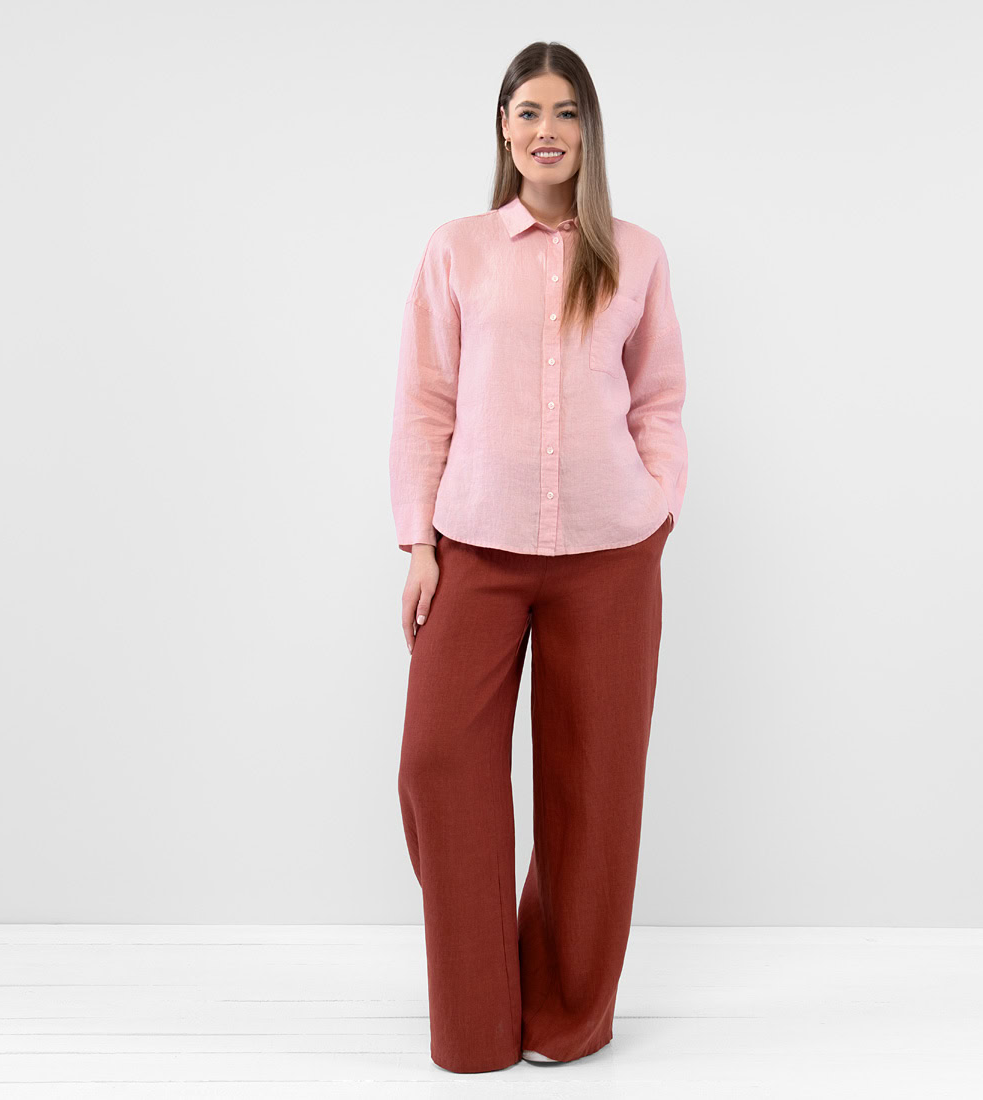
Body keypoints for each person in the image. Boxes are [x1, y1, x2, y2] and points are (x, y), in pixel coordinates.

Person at [389, 40, 688, 1074]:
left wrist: (658, 504)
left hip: (611, 554)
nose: (545, 130)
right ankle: (478, 1011)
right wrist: (418, 540)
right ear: (503, 128)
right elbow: (425, 401)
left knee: (592, 788)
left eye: (564, 112)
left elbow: (659, 399)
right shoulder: (457, 249)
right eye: (527, 111)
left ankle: (565, 1016)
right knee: (435, 762)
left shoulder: (636, 254)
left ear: (588, 131)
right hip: (475, 547)